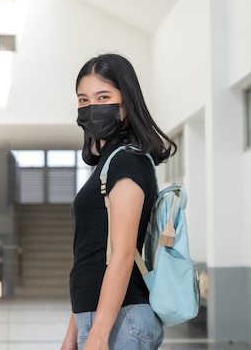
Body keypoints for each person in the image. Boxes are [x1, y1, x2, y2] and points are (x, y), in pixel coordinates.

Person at [61, 54, 175, 350]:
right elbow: (94, 254)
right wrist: (72, 335)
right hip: (104, 316)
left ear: (127, 101)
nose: (92, 107)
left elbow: (122, 255)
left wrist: (98, 336)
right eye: (83, 100)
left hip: (120, 322)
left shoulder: (127, 160)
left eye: (103, 96)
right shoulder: (111, 161)